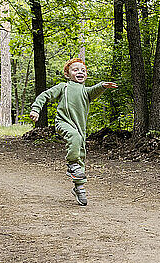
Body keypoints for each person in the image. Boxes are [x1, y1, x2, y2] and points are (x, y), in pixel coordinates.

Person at [29, 58, 117, 206]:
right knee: (75, 145)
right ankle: (71, 164)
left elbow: (93, 90)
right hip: (63, 123)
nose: (80, 72)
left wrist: (102, 86)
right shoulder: (63, 87)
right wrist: (36, 109)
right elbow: (45, 95)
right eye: (75, 70)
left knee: (80, 154)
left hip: (79, 129)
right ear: (67, 74)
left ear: (86, 75)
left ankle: (79, 188)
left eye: (83, 70)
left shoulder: (86, 92)